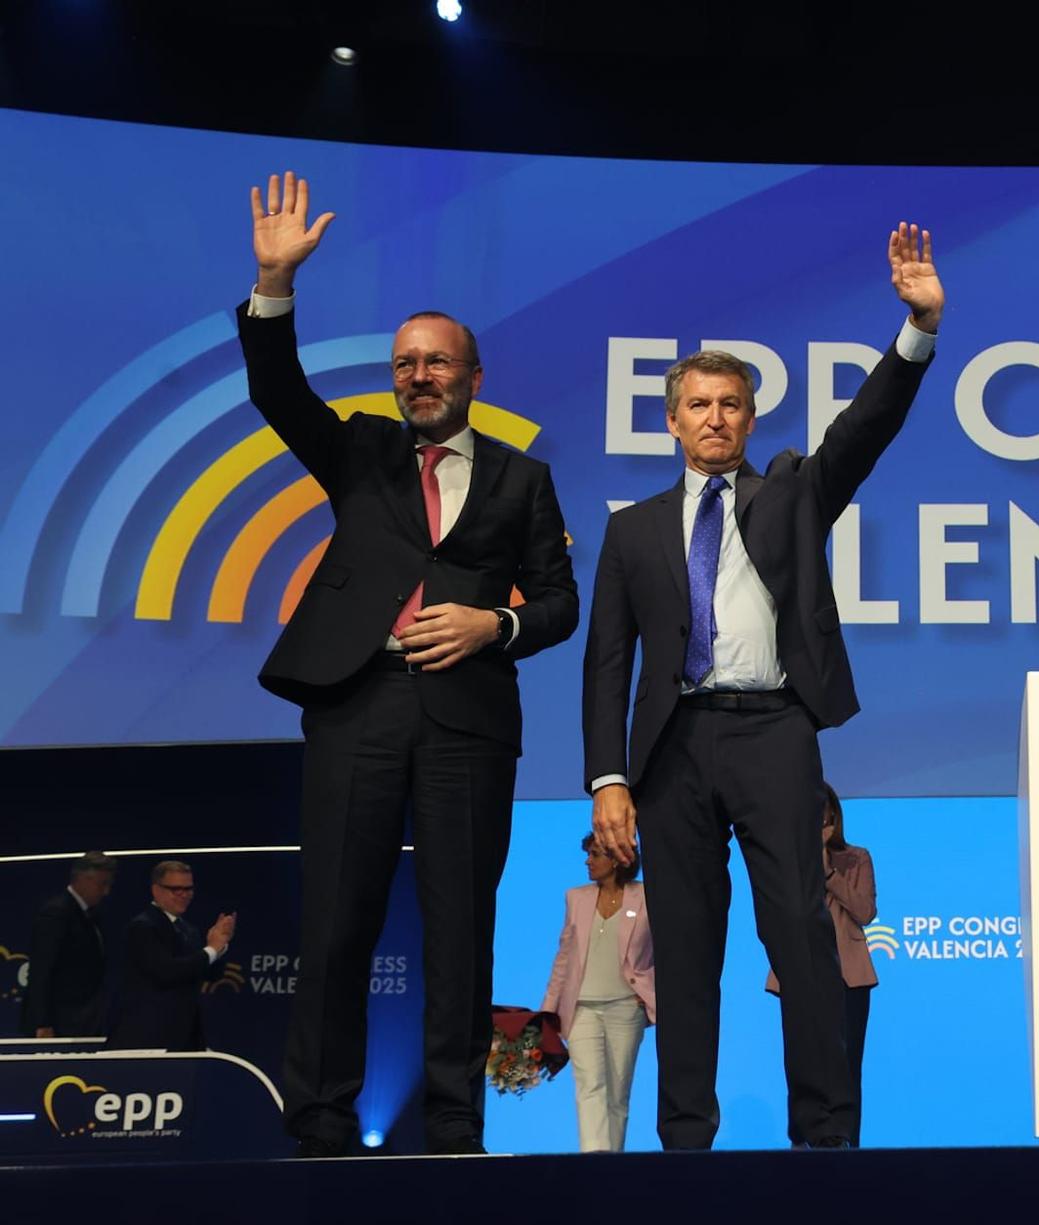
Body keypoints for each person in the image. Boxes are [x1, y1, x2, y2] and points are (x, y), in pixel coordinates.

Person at [238, 171, 580, 1157]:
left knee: (459, 928)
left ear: (472, 375)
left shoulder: (524, 480)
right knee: (338, 921)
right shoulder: (360, 453)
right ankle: (319, 1116)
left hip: (469, 721)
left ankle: (452, 1123)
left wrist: (491, 626)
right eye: (404, 363)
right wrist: (274, 284)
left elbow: (556, 605)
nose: (417, 375)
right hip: (358, 706)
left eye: (435, 361)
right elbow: (276, 389)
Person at [582, 222, 944, 1150]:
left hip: (776, 733)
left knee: (798, 931)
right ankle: (686, 1143)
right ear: (672, 418)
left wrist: (917, 330)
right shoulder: (633, 533)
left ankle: (825, 1139)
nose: (715, 417)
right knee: (689, 952)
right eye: (698, 403)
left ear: (750, 416)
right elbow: (607, 663)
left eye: (731, 403)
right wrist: (607, 777)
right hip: (671, 751)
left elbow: (864, 432)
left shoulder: (790, 495)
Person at [765, 785, 877, 1145]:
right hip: (799, 970)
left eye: (821, 809)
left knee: (847, 1065)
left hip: (849, 975)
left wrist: (827, 870)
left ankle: (848, 1142)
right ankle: (801, 1139)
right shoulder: (786, 859)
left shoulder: (856, 858)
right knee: (801, 1062)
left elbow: (864, 910)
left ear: (832, 814)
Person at [540, 832, 656, 1152]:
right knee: (589, 1086)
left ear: (618, 858)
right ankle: (594, 1160)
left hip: (626, 1007)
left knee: (618, 1092)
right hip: (581, 1008)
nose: (587, 861)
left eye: (595, 854)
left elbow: (668, 950)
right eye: (588, 854)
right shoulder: (576, 898)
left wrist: (648, 990)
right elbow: (564, 958)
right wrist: (547, 1012)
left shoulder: (647, 897)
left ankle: (612, 1162)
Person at [106, 861, 233, 1050]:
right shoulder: (143, 927)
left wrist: (219, 947)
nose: (184, 894)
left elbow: (210, 974)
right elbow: (166, 972)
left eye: (188, 889)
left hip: (185, 1036)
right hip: (149, 1036)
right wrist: (211, 950)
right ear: (156, 890)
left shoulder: (189, 930)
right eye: (176, 889)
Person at [22, 852, 116, 1038]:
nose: (106, 891)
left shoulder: (92, 915)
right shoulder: (56, 913)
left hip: (85, 1021)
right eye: (102, 884)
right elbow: (41, 971)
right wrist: (43, 1022)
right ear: (83, 879)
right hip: (59, 1024)